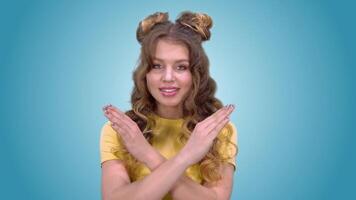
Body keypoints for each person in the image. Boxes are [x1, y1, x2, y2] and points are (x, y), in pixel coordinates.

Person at [100, 11, 238, 200]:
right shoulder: (121, 130)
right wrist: (186, 157)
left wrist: (148, 154)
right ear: (145, 73)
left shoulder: (217, 130)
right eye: (157, 66)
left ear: (196, 74)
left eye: (181, 67)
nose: (167, 78)